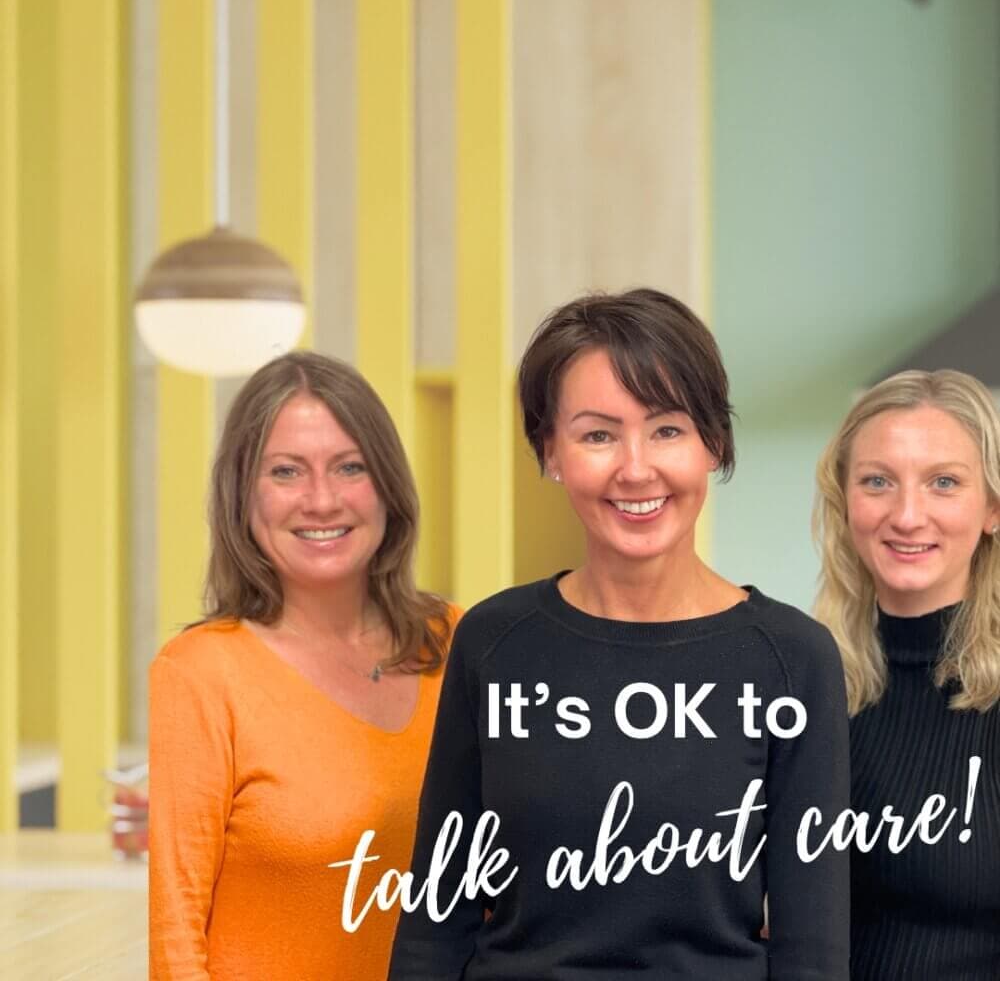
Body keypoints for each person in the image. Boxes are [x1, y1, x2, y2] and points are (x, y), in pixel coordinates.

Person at [388, 289, 850, 979]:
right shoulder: (493, 643)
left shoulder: (792, 660)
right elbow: (436, 921)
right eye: (598, 434)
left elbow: (810, 947)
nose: (636, 468)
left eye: (667, 429)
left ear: (713, 444)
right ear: (550, 453)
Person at [149, 351, 459, 979]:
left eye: (350, 467)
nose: (321, 500)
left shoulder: (462, 641)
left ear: (388, 487)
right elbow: (175, 935)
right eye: (286, 472)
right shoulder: (200, 674)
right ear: (244, 494)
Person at [814, 369, 1000, 980]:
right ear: (846, 501)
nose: (907, 515)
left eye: (943, 482)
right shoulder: (803, 684)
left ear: (992, 507)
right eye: (878, 482)